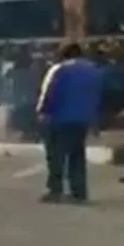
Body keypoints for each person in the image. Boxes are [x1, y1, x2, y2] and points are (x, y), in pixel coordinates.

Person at [36, 43, 103, 204]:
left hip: (61, 118)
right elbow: (100, 96)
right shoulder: (95, 71)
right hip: (83, 119)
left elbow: (52, 93)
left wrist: (43, 112)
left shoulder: (62, 71)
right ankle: (79, 192)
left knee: (57, 155)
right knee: (77, 156)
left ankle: (55, 190)